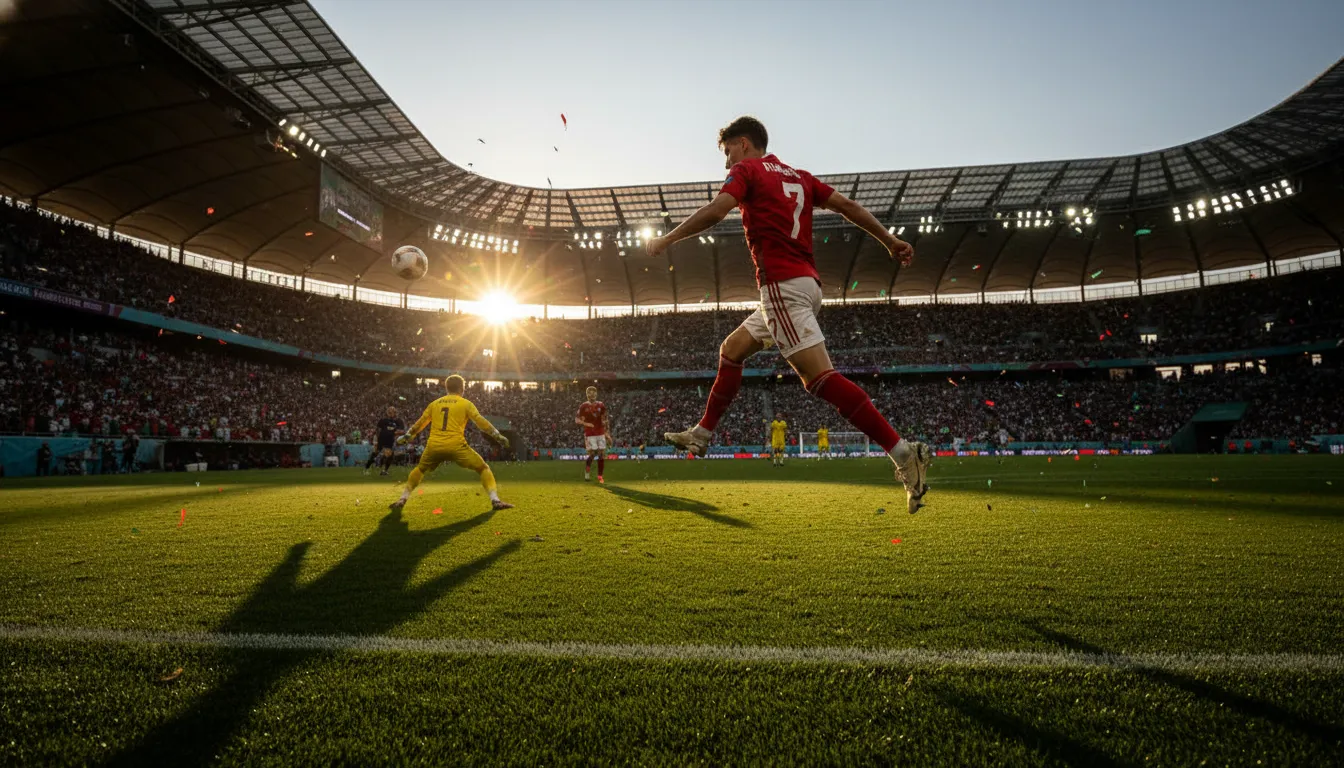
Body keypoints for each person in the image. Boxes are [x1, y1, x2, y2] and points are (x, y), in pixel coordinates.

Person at [649, 116, 932, 513]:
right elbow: (847, 206)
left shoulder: (747, 170)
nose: (726, 162)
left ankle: (903, 453)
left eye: (727, 151)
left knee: (819, 380)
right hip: (804, 287)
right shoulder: (799, 177)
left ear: (743, 143)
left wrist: (668, 237)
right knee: (732, 350)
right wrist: (888, 239)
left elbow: (717, 211)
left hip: (781, 287)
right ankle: (702, 433)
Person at [389, 375, 514, 512]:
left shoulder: (435, 404)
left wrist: (408, 435)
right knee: (483, 468)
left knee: (420, 469)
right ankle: (495, 500)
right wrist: (496, 434)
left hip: (434, 446)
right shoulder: (465, 403)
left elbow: (421, 422)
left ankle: (403, 498)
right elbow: (479, 421)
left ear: (446, 388)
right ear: (462, 388)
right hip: (456, 446)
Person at [575, 385, 610, 483]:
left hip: (600, 432)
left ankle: (600, 476)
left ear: (596, 394)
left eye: (593, 393)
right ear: (586, 395)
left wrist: (607, 434)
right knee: (593, 453)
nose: (592, 395)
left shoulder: (601, 405)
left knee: (601, 454)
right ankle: (587, 471)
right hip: (590, 433)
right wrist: (586, 423)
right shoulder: (583, 406)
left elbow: (605, 419)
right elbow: (577, 419)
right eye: (589, 393)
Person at [365, 406, 405, 476]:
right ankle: (367, 468)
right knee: (375, 453)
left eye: (392, 411)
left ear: (395, 413)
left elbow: (402, 431)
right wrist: (376, 440)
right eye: (389, 411)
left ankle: (385, 471)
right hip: (381, 439)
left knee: (391, 455)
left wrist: (396, 433)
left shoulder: (398, 421)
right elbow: (377, 430)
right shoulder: (383, 420)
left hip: (390, 441)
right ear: (387, 413)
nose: (391, 413)